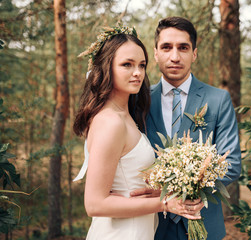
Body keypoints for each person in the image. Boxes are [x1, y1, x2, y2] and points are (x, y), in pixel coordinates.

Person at [72, 24, 203, 240]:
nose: (137, 73)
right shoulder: (111, 122)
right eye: (127, 64)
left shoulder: (128, 117)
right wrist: (166, 204)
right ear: (107, 68)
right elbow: (94, 204)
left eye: (142, 65)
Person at [131, 17, 242, 240]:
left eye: (183, 48)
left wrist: (194, 191)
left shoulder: (218, 99)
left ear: (194, 53)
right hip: (152, 224)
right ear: (155, 53)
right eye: (166, 47)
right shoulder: (138, 101)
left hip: (203, 223)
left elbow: (232, 164)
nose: (174, 56)